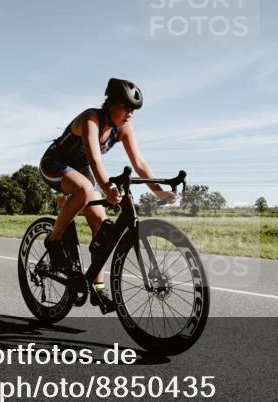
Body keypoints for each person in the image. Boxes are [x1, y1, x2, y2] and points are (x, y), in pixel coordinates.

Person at [39, 78, 177, 310]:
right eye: (126, 107)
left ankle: (98, 289)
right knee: (84, 189)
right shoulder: (91, 119)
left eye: (133, 109)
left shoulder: (124, 128)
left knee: (102, 227)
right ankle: (53, 240)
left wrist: (159, 193)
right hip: (54, 164)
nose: (130, 113)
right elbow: (95, 159)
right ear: (110, 103)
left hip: (81, 171)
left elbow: (140, 163)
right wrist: (107, 188)